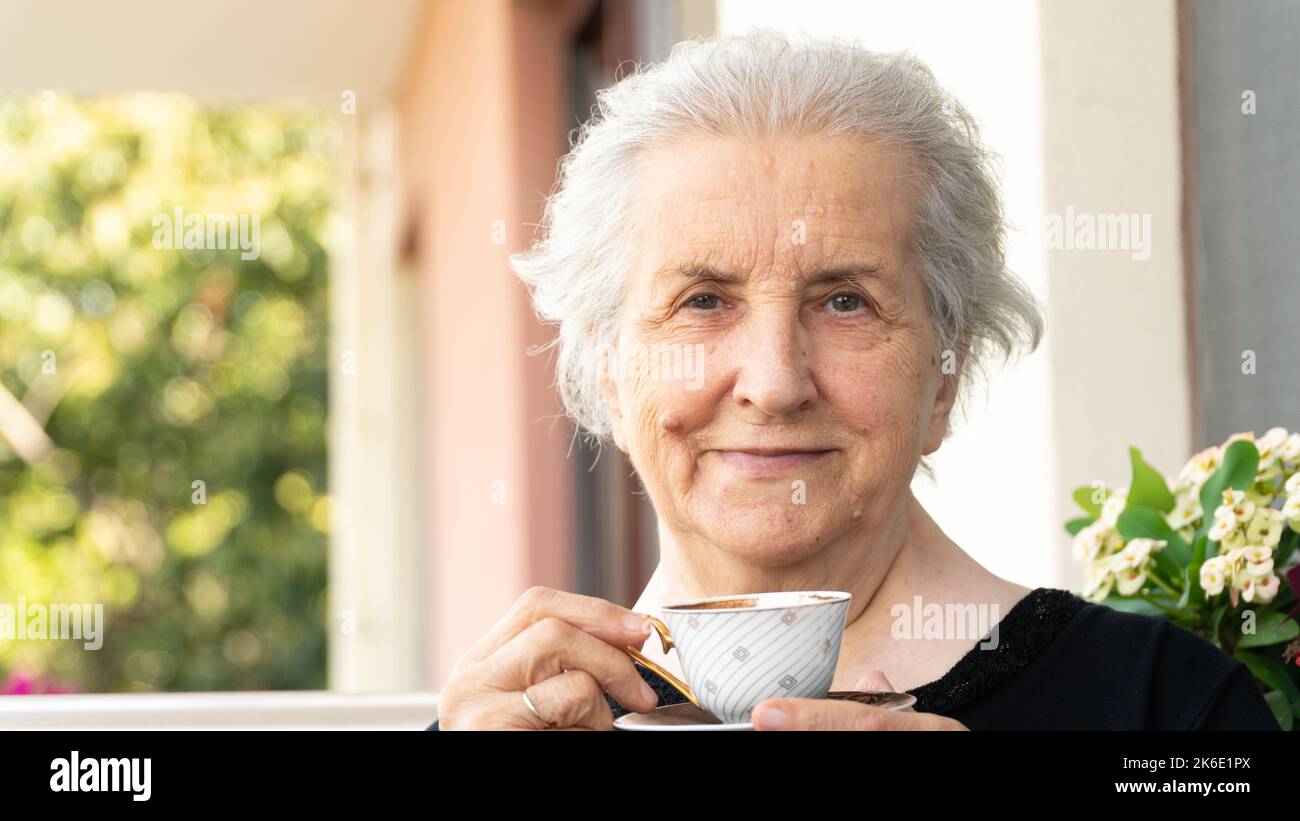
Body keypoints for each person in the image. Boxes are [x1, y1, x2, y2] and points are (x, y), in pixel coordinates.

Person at [430, 28, 1283, 731]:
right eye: (702, 299)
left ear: (945, 375)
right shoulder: (514, 722)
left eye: (845, 300)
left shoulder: (1176, 716)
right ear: (609, 374)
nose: (773, 382)